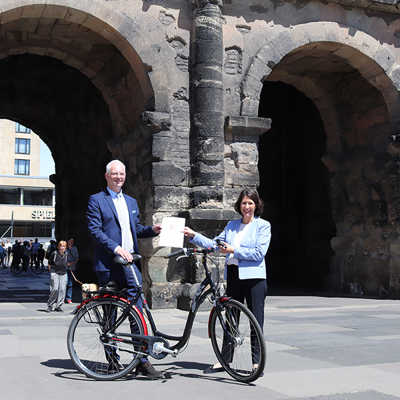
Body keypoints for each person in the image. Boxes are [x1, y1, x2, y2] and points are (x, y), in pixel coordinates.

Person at [87, 159, 163, 379]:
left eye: (121, 174)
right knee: (109, 316)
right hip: (109, 265)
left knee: (137, 311)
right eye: (114, 174)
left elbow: (135, 229)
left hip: (130, 266)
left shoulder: (130, 201)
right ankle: (112, 361)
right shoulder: (96, 200)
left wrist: (152, 230)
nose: (118, 177)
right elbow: (95, 230)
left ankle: (142, 360)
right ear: (107, 176)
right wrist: (116, 248)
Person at [183, 188, 271, 374]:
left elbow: (258, 253)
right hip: (233, 274)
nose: (247, 207)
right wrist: (194, 235)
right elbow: (215, 244)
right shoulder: (232, 225)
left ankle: (257, 363)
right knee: (230, 318)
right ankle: (225, 359)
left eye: (250, 203)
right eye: (244, 203)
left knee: (255, 320)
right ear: (239, 205)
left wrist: (232, 250)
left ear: (256, 205)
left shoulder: (263, 226)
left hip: (254, 277)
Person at [47, 240, 68, 312]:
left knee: (62, 289)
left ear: (66, 247)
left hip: (64, 273)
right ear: (58, 246)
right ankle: (50, 305)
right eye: (61, 246)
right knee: (55, 289)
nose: (62, 247)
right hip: (55, 272)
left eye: (64, 246)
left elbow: (70, 261)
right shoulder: (54, 253)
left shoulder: (67, 254)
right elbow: (49, 262)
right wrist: (51, 272)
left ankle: (58, 305)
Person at [65, 238, 79, 304]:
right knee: (64, 283)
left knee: (70, 283)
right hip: (64, 268)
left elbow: (76, 258)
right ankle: (62, 297)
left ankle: (68, 298)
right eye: (70, 241)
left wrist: (71, 263)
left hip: (72, 268)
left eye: (72, 241)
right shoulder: (64, 248)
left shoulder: (74, 248)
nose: (71, 242)